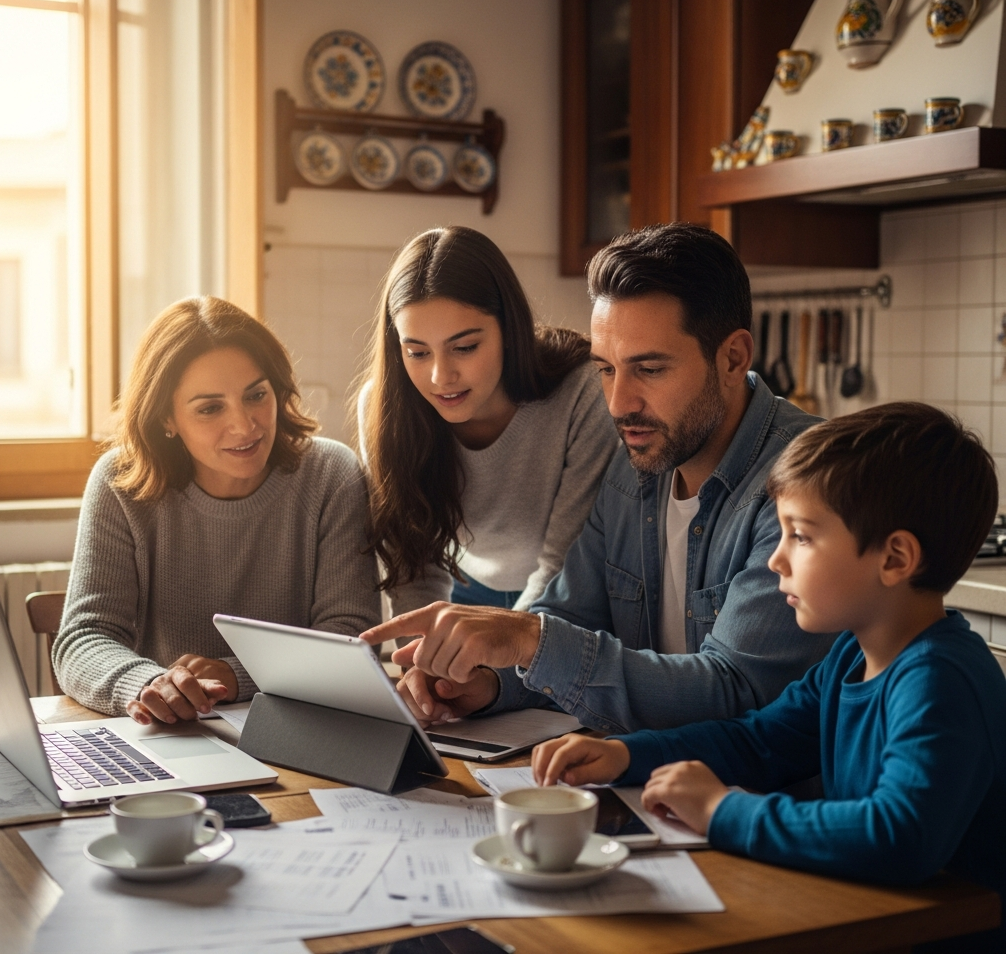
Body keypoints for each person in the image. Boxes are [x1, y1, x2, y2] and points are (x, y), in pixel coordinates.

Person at [533, 403, 1006, 954]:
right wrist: (628, 755)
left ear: (895, 558)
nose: (777, 559)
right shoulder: (851, 655)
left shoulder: (940, 681)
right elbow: (759, 741)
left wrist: (720, 810)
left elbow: (898, 837)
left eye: (800, 536)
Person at [362, 223, 833, 733]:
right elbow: (570, 619)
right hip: (647, 781)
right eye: (605, 370)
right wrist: (488, 683)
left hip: (760, 802)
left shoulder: (809, 480)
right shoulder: (638, 466)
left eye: (649, 369)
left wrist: (529, 640)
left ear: (732, 358)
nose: (617, 403)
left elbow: (737, 691)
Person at [54, 297, 381, 724]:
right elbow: (83, 638)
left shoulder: (331, 474)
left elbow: (353, 638)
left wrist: (234, 674)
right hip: (171, 732)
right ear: (166, 417)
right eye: (210, 408)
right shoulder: (119, 482)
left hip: (302, 727)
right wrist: (149, 686)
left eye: (256, 395)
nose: (245, 426)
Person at [355, 225, 618, 619]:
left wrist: (501, 667)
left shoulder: (581, 390)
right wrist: (423, 658)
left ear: (510, 330)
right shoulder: (383, 405)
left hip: (570, 594)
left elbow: (563, 567)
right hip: (465, 589)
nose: (441, 377)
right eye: (417, 353)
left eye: (464, 347)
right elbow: (414, 569)